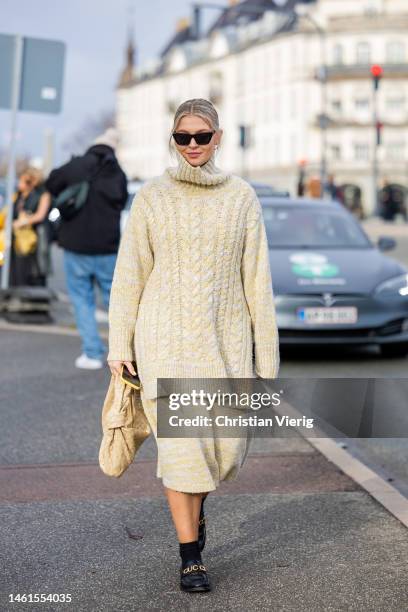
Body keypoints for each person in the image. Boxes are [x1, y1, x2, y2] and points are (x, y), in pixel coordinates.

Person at [107, 98, 280, 593]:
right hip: (163, 344)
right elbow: (129, 276)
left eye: (201, 136)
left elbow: (257, 282)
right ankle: (190, 556)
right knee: (181, 454)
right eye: (183, 137)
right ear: (173, 140)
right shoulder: (152, 198)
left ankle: (195, 515)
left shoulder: (242, 198)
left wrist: (265, 357)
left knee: (219, 454)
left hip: (223, 346)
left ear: (218, 138)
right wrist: (121, 343)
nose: (192, 146)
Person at [45, 128, 128, 370]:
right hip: (108, 247)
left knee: (82, 299)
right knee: (117, 301)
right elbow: (121, 201)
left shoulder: (76, 166)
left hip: (76, 244)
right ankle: (126, 353)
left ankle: (92, 353)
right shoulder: (117, 172)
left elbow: (51, 182)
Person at [9, 167, 52, 287]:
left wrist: (24, 221)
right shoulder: (18, 195)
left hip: (36, 237)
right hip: (18, 238)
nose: (20, 184)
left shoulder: (43, 195)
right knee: (18, 267)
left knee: (35, 269)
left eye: (23, 181)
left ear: (32, 182)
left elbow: (40, 215)